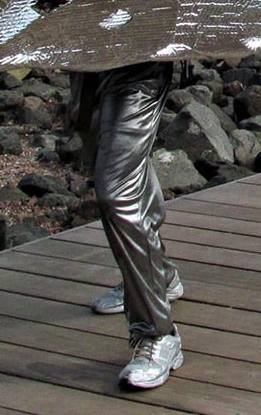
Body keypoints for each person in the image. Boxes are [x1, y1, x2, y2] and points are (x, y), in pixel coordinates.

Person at [68, 62, 185, 390]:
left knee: (116, 191)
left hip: (137, 60)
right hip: (86, 62)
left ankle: (157, 333)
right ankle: (159, 276)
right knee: (126, 169)